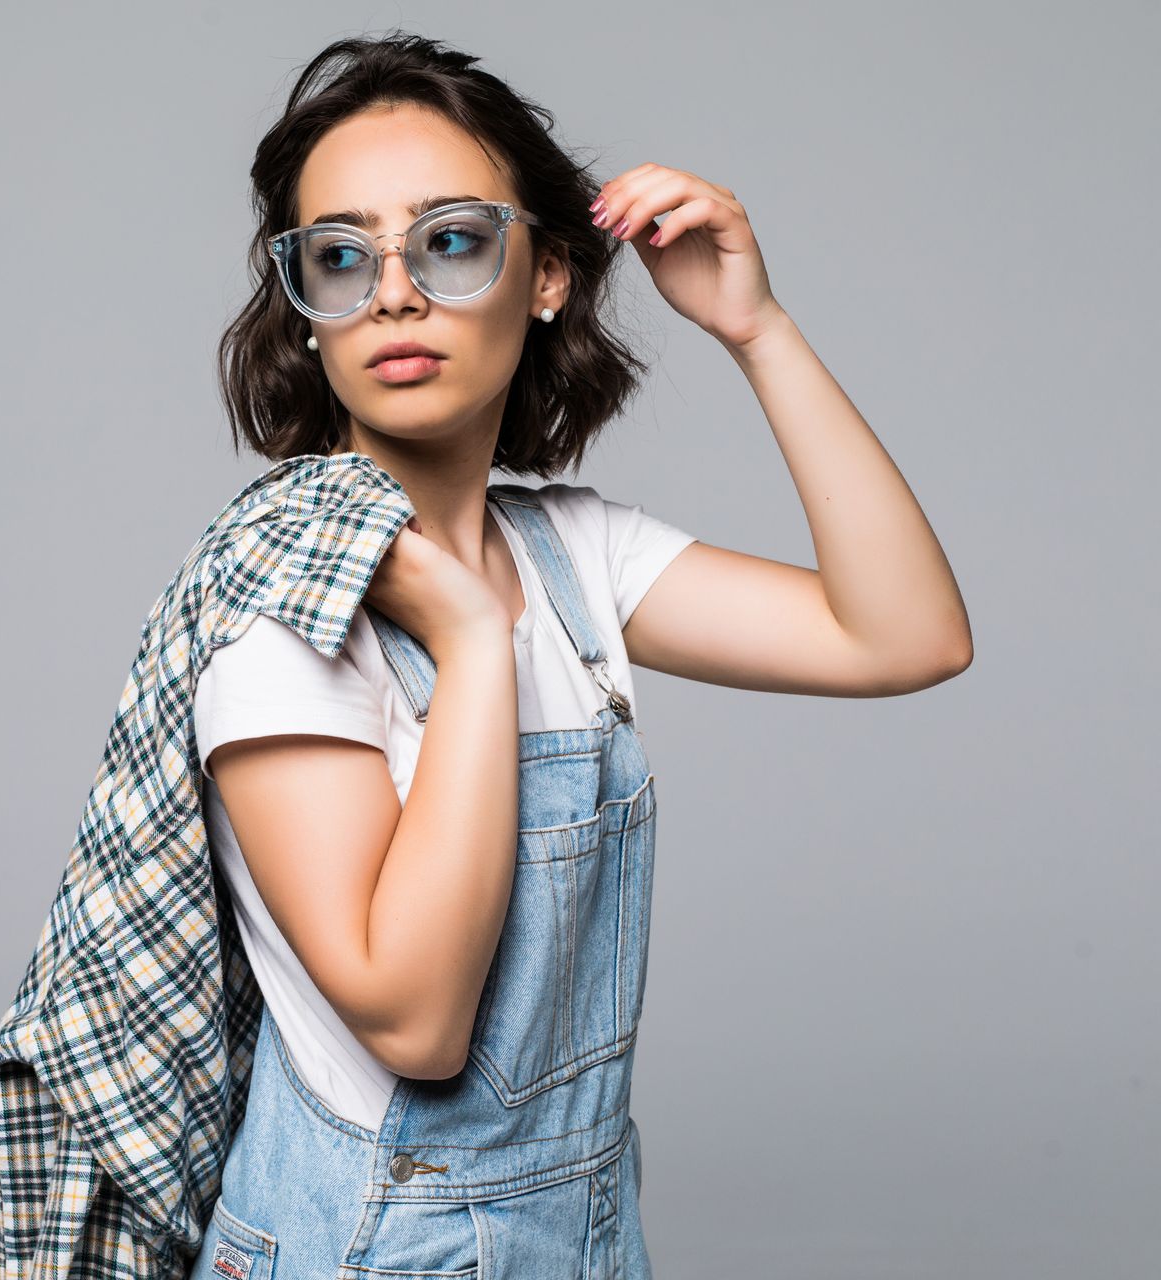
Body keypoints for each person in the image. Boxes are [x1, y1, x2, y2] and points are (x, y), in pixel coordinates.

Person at [185, 30, 972, 1280]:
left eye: (449, 239)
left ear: (547, 272)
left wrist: (754, 329)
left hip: (587, 1225)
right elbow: (418, 1018)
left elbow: (905, 635)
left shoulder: (570, 556)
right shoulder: (281, 605)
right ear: (308, 306)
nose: (393, 291)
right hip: (379, 1243)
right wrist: (470, 644)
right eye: (340, 255)